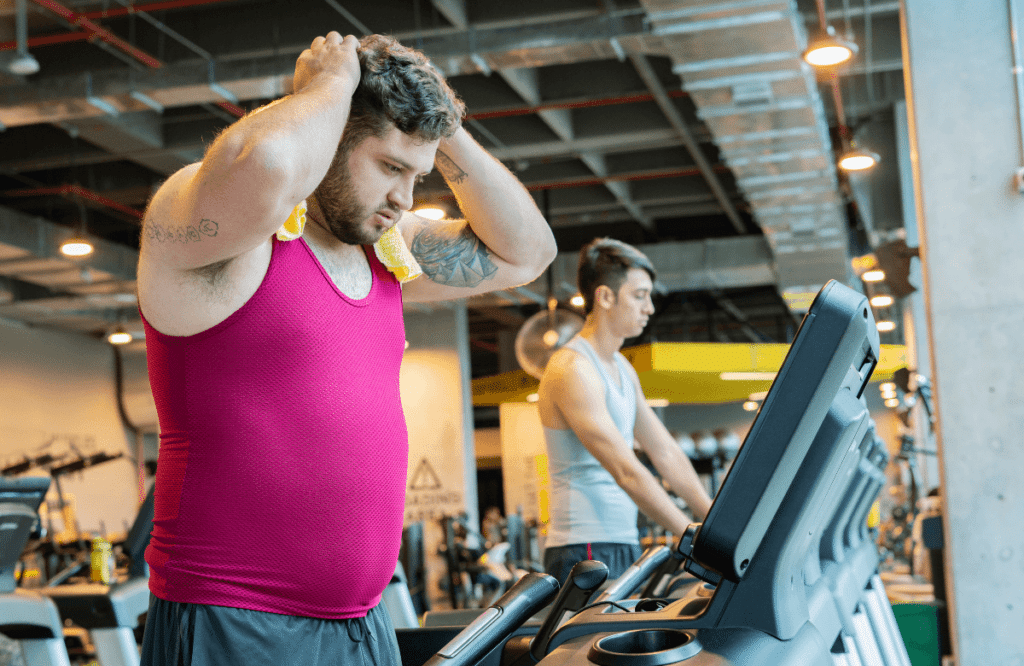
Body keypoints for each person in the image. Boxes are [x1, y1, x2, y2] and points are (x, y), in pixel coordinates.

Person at [136, 32, 556, 666]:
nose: (405, 200)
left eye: (416, 175)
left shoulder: (385, 251)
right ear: (331, 136)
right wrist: (328, 86)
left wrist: (441, 126)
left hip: (363, 619)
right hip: (236, 618)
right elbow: (270, 167)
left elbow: (528, 253)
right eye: (390, 167)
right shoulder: (220, 229)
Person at [536, 238, 713, 584]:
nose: (649, 307)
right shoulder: (573, 368)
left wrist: (712, 520)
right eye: (639, 295)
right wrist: (692, 538)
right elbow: (625, 469)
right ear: (605, 297)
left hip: (620, 540)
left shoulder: (620, 368)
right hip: (584, 547)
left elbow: (665, 452)